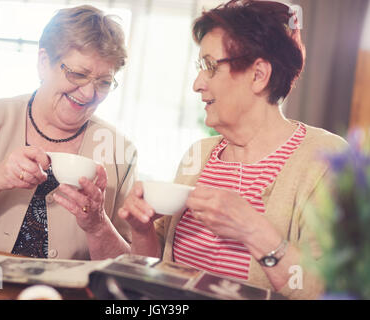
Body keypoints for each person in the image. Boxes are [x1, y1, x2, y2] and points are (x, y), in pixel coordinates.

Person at [118, 0, 347, 299]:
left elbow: (330, 291)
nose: (197, 84)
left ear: (258, 75)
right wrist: (142, 231)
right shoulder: (198, 154)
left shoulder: (327, 160)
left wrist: (253, 230)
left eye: (210, 66)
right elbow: (157, 270)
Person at [0, 5, 136, 260]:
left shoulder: (119, 151)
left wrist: (98, 225)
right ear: (44, 62)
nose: (90, 94)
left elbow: (129, 266)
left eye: (103, 82)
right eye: (79, 74)